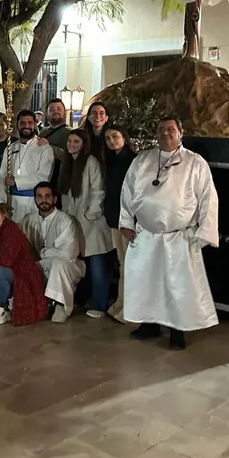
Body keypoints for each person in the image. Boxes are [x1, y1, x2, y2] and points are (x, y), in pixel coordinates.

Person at [119, 116, 219, 350]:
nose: (165, 133)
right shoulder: (142, 160)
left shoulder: (195, 163)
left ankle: (177, 331)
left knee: (177, 286)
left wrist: (204, 231)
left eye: (170, 129)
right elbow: (127, 191)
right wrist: (126, 222)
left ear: (180, 133)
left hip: (179, 237)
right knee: (147, 282)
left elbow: (208, 198)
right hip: (147, 235)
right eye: (161, 129)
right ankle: (149, 325)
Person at [57, 130, 113, 319]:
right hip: (75, 222)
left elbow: (98, 190)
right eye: (70, 141)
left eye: (76, 141)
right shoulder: (67, 163)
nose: (72, 144)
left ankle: (99, 304)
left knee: (97, 266)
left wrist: (91, 214)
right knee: (82, 265)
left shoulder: (90, 162)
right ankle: (84, 299)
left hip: (91, 223)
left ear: (84, 144)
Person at [0, 203, 48, 326]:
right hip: (6, 273)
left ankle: (2, 308)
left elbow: (6, 260)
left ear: (3, 216)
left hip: (22, 273)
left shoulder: (12, 230)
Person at [22, 183, 84, 323]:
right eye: (39, 196)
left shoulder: (65, 220)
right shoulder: (28, 219)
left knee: (58, 263)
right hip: (40, 264)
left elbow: (68, 253)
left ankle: (60, 304)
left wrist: (42, 253)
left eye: (47, 196)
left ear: (55, 199)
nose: (43, 200)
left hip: (67, 265)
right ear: (35, 199)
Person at [104, 125, 138, 323]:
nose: (111, 141)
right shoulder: (111, 160)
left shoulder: (132, 161)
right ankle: (120, 303)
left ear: (124, 137)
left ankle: (129, 309)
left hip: (127, 219)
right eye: (107, 138)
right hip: (114, 217)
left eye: (115, 136)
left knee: (129, 264)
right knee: (123, 263)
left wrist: (130, 220)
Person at [0, 110, 55, 222]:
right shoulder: (10, 148)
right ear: (17, 125)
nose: (26, 126)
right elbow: (1, 177)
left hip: (33, 203)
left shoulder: (44, 148)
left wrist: (16, 182)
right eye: (22, 123)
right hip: (12, 202)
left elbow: (43, 177)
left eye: (30, 122)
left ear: (35, 124)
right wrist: (1, 203)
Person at [83, 102, 111, 166]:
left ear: (106, 118)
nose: (98, 116)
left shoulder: (112, 137)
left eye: (101, 113)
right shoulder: (82, 137)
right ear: (89, 117)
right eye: (94, 113)